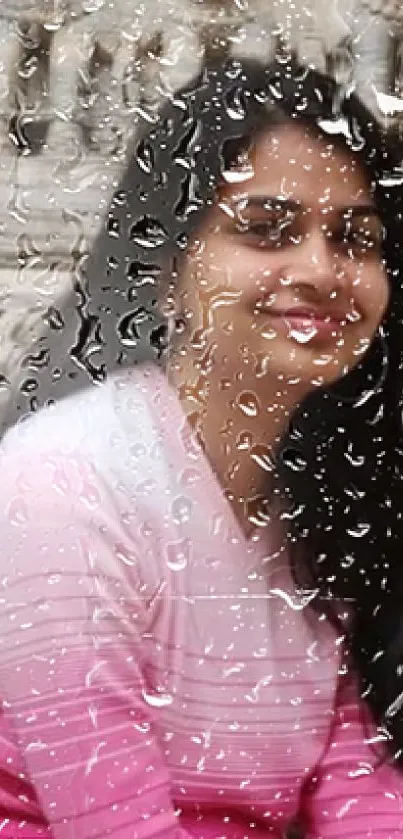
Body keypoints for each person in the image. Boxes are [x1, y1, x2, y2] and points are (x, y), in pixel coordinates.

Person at [0, 53, 402, 839]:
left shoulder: (333, 495)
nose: (321, 269)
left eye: (355, 238)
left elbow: (361, 786)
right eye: (266, 230)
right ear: (163, 265)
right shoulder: (59, 484)